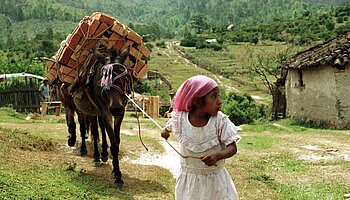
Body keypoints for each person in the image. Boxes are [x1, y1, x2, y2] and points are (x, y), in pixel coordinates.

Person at [161, 75, 241, 200]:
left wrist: (218, 156)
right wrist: (165, 131)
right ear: (198, 102)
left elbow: (232, 147)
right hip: (189, 182)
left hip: (214, 182)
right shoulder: (181, 119)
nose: (219, 101)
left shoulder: (221, 122)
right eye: (214, 97)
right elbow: (169, 127)